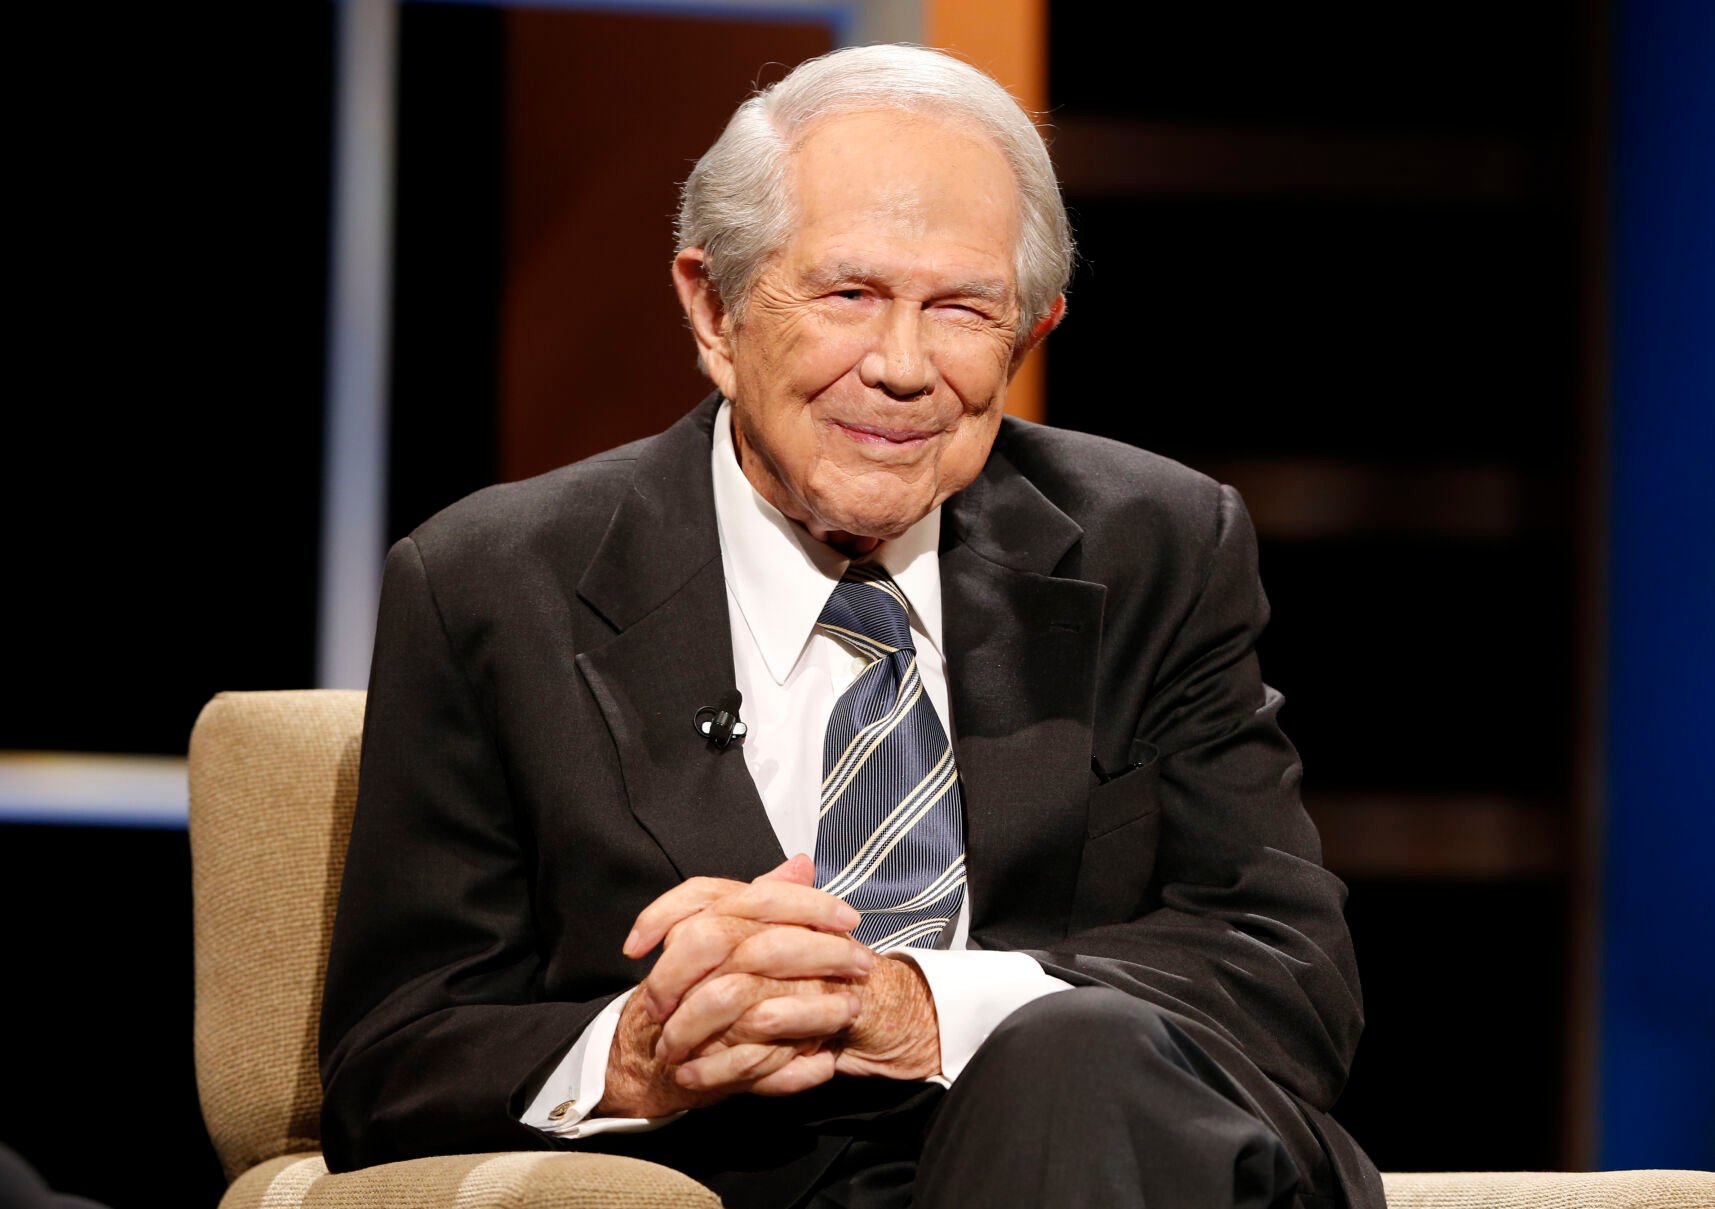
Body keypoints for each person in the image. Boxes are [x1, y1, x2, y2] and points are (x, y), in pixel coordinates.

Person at [319, 44, 1383, 1209]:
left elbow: (1287, 979)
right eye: (848, 295)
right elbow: (393, 1061)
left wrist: (907, 1004)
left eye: (963, 310)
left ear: (1029, 337)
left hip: (1127, 1164)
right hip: (766, 1182)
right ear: (713, 310)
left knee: (1074, 1057)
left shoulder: (1155, 546)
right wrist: (640, 1052)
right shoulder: (492, 585)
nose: (901, 368)